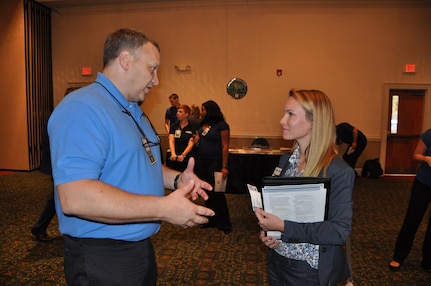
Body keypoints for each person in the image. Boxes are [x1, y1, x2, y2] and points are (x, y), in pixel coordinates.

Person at [48, 28, 214, 285]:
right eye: (152, 68)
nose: (156, 80)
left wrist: (179, 179)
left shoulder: (131, 110)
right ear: (125, 60)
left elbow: (142, 164)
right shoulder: (83, 108)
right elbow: (75, 197)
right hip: (101, 256)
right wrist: (164, 208)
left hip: (137, 248)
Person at [255, 89, 355, 285]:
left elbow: (339, 231)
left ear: (314, 121)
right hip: (277, 260)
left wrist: (283, 227)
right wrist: (270, 233)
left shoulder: (338, 171)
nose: (282, 120)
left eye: (290, 114)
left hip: (308, 270)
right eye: (284, 113)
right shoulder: (286, 161)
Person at [31, 87, 79, 242]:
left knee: (62, 197)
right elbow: (47, 144)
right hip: (58, 165)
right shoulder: (58, 117)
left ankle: (41, 227)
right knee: (57, 198)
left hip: (67, 166)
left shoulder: (73, 116)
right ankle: (39, 227)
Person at [389, 128, 431, 273]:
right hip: (424, 183)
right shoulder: (429, 134)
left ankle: (428, 260)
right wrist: (426, 159)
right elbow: (416, 155)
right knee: (412, 219)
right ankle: (399, 256)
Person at [194, 100, 232, 234]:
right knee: (207, 191)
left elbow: (225, 146)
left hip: (216, 162)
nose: (202, 112)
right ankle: (210, 219)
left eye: (203, 109)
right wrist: (197, 141)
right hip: (202, 162)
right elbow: (199, 141)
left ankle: (224, 222)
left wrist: (225, 166)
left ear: (211, 110)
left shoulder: (222, 125)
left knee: (218, 192)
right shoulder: (203, 124)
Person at [167, 104, 197, 172]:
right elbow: (171, 140)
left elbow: (191, 143)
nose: (177, 113)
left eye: (180, 112)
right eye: (177, 111)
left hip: (187, 157)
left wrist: (183, 155)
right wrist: (173, 153)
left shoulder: (192, 127)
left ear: (186, 114)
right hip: (175, 156)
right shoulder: (174, 126)